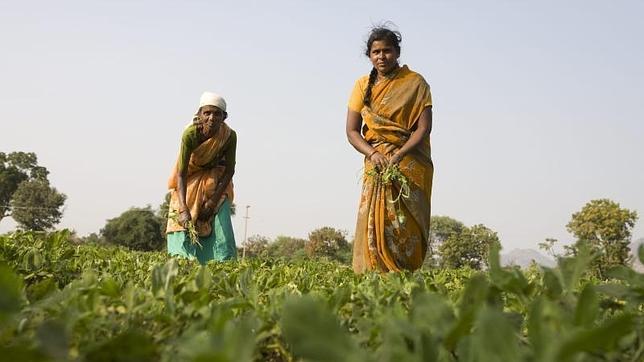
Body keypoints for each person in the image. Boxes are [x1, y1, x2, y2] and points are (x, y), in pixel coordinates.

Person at [346, 26, 433, 273]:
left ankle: (404, 270)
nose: (381, 56)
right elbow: (352, 131)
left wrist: (400, 154)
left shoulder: (415, 83)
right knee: (375, 217)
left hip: (409, 161)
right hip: (377, 162)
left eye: (387, 51)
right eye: (376, 52)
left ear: (397, 53)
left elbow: (423, 128)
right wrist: (373, 154)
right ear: (369, 55)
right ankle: (375, 270)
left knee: (405, 221)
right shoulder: (362, 85)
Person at [166, 91, 237, 264]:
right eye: (207, 113)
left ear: (224, 117)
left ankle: (222, 263)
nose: (212, 118)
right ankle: (182, 259)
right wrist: (183, 209)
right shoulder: (190, 134)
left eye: (217, 114)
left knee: (221, 214)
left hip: (216, 177)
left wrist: (212, 202)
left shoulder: (229, 136)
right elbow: (181, 173)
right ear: (199, 114)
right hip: (189, 174)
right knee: (183, 213)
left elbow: (229, 170)